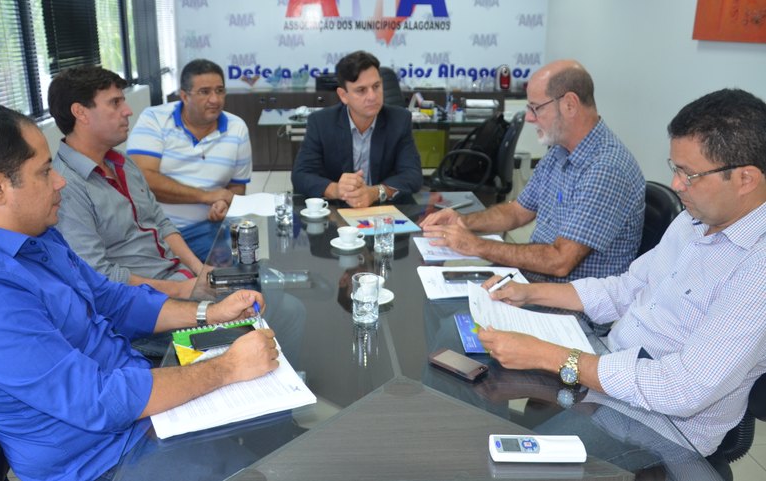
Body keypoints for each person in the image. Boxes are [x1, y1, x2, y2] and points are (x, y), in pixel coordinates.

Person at [0, 103, 279, 481]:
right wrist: (227, 368)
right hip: (104, 460)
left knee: (274, 428)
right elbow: (96, 400)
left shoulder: (36, 237)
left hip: (135, 402)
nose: (60, 182)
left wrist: (208, 313)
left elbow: (111, 299)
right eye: (45, 170)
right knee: (268, 470)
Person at [477, 88, 766, 457]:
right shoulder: (694, 221)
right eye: (674, 169)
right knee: (479, 383)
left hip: (661, 428)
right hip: (609, 377)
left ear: (745, 179)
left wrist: (552, 357)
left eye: (689, 175)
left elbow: (682, 389)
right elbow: (628, 289)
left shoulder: (757, 268)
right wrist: (529, 293)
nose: (677, 186)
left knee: (506, 460)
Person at [422, 60, 645, 282]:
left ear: (569, 104)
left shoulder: (606, 168)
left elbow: (559, 262)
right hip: (532, 282)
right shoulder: (560, 152)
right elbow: (518, 211)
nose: (529, 117)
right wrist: (463, 222)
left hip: (565, 304)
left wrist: (477, 245)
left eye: (535, 108)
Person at [49, 65, 201, 299]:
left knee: (256, 297)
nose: (128, 111)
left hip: (178, 280)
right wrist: (179, 290)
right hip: (142, 303)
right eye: (115, 103)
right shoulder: (65, 186)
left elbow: (160, 222)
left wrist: (201, 272)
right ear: (81, 112)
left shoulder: (122, 163)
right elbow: (97, 274)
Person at [127, 59, 251, 261]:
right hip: (156, 230)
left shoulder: (237, 128)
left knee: (245, 263)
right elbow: (143, 180)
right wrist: (205, 196)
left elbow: (237, 187)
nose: (215, 99)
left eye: (220, 91)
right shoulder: (154, 119)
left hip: (210, 228)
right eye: (204, 92)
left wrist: (223, 203)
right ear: (184, 96)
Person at [291, 50, 422, 208]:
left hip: (382, 210)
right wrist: (337, 190)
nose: (372, 96)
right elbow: (301, 175)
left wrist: (375, 192)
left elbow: (412, 175)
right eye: (361, 90)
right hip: (337, 211)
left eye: (376, 86)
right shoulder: (321, 123)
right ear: (343, 95)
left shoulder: (399, 120)